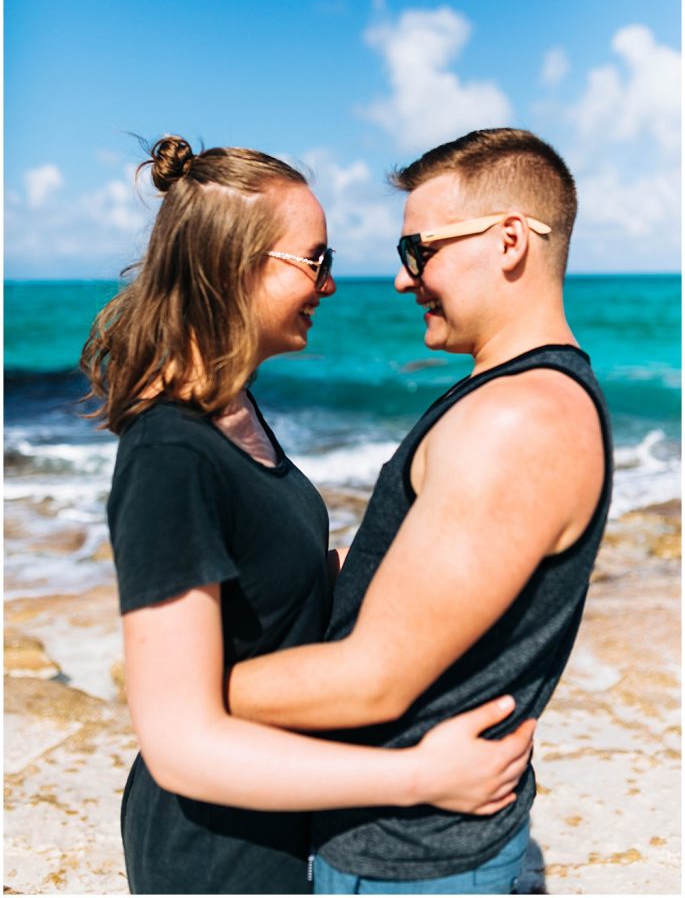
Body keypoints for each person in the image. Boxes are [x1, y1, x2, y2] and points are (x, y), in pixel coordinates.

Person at [81, 136, 535, 896]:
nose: (329, 287)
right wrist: (416, 775)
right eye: (313, 260)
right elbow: (179, 744)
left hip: (286, 823)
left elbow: (265, 609)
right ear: (234, 267)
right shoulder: (171, 455)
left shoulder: (235, 411)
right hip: (215, 853)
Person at [225, 128, 613, 894]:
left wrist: (180, 690)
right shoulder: (518, 398)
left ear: (508, 242)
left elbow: (373, 681)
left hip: (413, 864)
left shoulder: (517, 420)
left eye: (418, 251)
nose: (404, 282)